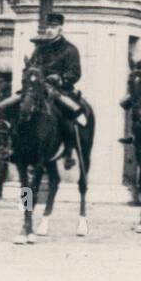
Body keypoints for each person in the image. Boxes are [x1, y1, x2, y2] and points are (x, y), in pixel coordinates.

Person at [28, 11, 86, 167]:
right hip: (38, 89)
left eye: (53, 27)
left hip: (60, 90)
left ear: (61, 29)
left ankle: (68, 152)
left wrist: (61, 79)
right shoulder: (39, 49)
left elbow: (75, 72)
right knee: (21, 107)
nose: (49, 30)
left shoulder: (70, 49)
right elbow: (31, 67)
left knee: (67, 115)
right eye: (48, 26)